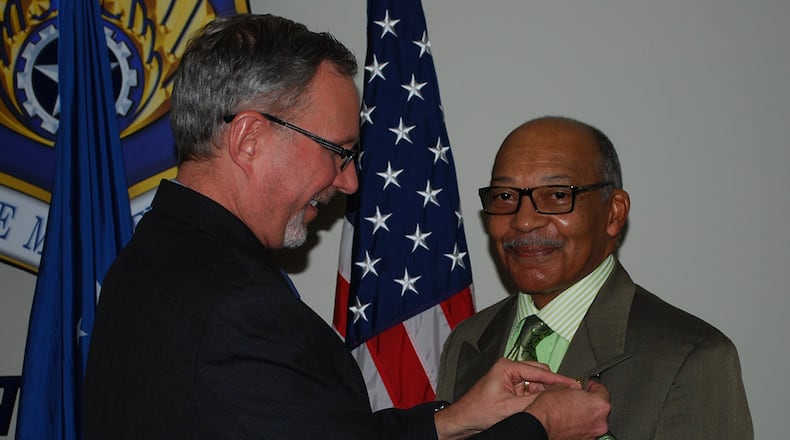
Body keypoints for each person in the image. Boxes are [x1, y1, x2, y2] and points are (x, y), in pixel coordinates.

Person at [82, 14, 612, 439]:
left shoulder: (151, 257)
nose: (351, 182)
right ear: (248, 139)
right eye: (338, 152)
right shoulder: (238, 306)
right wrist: (538, 426)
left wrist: (452, 419)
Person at [436, 116, 754, 438]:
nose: (524, 221)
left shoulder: (692, 357)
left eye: (558, 195)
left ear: (614, 213)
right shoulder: (467, 340)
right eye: (505, 196)